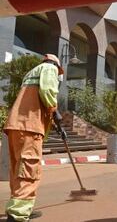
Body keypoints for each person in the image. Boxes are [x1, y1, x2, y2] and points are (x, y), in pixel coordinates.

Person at [3, 54, 64, 222]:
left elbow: (36, 96)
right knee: (29, 170)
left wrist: (53, 122)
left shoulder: (32, 72)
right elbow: (47, 92)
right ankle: (18, 215)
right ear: (56, 66)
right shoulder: (49, 68)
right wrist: (55, 111)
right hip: (30, 126)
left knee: (18, 169)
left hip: (16, 125)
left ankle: (16, 208)